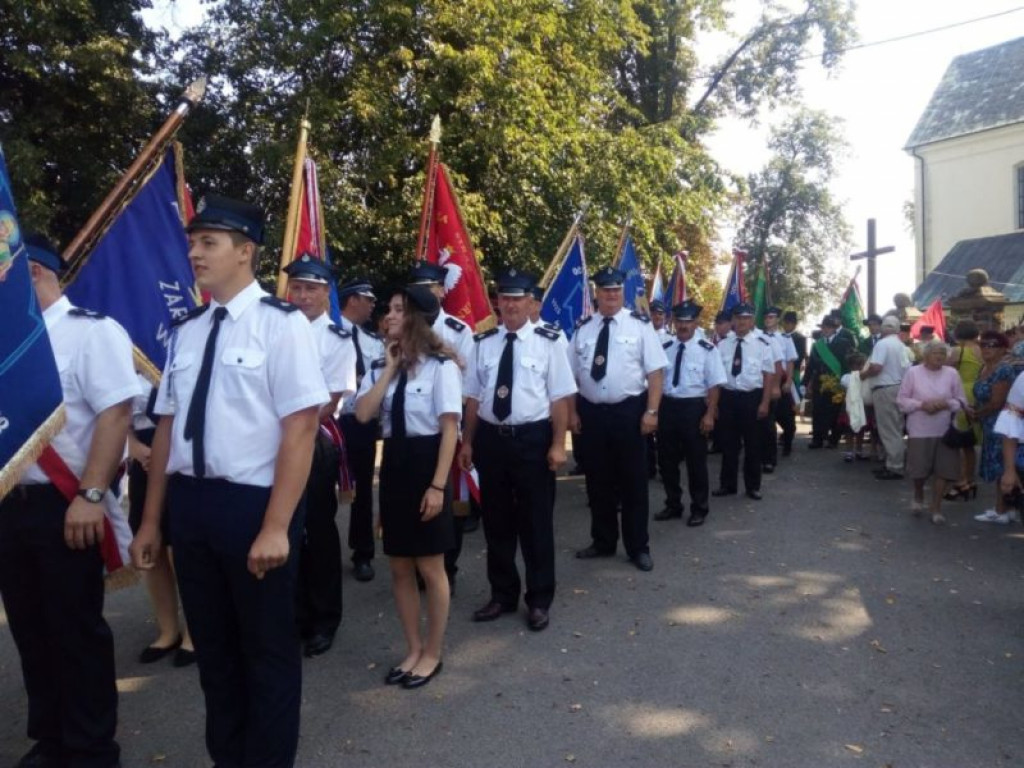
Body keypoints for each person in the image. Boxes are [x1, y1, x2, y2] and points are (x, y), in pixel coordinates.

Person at [131, 195, 328, 768]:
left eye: (208, 242)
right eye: (193, 242)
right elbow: (167, 427)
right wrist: (151, 520)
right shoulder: (188, 330)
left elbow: (301, 428)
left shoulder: (281, 326)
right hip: (190, 507)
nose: (194, 252)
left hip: (252, 507)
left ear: (246, 252)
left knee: (265, 652)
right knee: (215, 652)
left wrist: (275, 526)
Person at [0, 235, 138, 768]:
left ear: (32, 273)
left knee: (74, 629)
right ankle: (52, 736)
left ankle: (90, 746)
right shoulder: (7, 340)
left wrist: (91, 494)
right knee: (30, 628)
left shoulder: (90, 333)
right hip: (11, 503)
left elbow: (115, 414)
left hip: (67, 502)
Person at [354, 285, 460, 688]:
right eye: (389, 309)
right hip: (395, 466)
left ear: (415, 317)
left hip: (426, 466)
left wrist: (437, 487)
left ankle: (433, 652)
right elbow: (363, 414)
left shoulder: (441, 367)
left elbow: (449, 430)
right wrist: (389, 372)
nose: (389, 316)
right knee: (398, 565)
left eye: (398, 310)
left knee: (430, 566)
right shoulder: (385, 364)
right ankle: (412, 648)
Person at [459, 269, 576, 631]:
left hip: (533, 440)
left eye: (517, 298)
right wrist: (467, 441)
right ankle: (502, 594)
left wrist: (558, 444)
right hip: (491, 441)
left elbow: (559, 398)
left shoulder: (550, 340)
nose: (509, 305)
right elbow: (475, 398)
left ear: (531, 302)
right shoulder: (483, 342)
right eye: (504, 298)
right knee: (496, 522)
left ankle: (539, 599)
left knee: (536, 523)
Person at [568, 265, 667, 571]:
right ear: (596, 293)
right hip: (592, 414)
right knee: (598, 481)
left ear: (622, 292)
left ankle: (638, 547)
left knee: (633, 482)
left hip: (629, 413)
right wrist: (572, 412)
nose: (611, 295)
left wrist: (652, 412)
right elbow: (568, 377)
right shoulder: (583, 328)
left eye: (616, 290)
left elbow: (655, 372)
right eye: (605, 290)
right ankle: (603, 541)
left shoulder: (639, 326)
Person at [284, 255, 358, 657]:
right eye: (296, 287)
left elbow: (330, 401)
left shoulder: (336, 338)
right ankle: (293, 614)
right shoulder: (273, 329)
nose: (302, 295)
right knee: (285, 529)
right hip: (273, 442)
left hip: (314, 439)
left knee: (317, 529)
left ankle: (324, 617)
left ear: (325, 292)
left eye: (311, 288)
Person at [406, 260, 478, 578]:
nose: (424, 294)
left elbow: (468, 382)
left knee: (449, 500)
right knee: (414, 495)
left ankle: (446, 565)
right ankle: (419, 560)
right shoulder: (402, 329)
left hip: (446, 425)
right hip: (412, 430)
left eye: (429, 288)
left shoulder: (459, 332)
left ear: (441, 291)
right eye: (417, 289)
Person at [128, 373, 196, 668]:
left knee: (185, 544)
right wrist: (134, 447)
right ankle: (168, 630)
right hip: (141, 445)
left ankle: (196, 632)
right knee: (151, 545)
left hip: (184, 443)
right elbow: (111, 408)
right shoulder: (125, 343)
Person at [655, 300, 726, 525]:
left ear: (696, 323)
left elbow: (715, 385)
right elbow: (656, 381)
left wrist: (709, 414)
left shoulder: (708, 349)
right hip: (668, 407)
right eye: (680, 321)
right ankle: (673, 504)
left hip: (693, 408)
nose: (683, 326)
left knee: (696, 462)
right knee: (667, 461)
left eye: (688, 321)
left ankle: (699, 508)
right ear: (673, 322)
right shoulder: (665, 348)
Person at [334, 277, 383, 582]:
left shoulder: (372, 342)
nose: (373, 306)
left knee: (363, 489)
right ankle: (317, 549)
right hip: (330, 422)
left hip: (360, 423)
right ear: (353, 300)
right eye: (370, 300)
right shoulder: (327, 331)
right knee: (323, 489)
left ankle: (362, 552)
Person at [897, 339, 966, 525]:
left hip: (944, 430)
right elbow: (902, 400)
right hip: (919, 429)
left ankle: (936, 507)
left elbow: (961, 401)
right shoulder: (913, 372)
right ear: (926, 355)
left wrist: (946, 404)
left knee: (943, 470)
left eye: (943, 354)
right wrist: (921, 405)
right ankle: (918, 493)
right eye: (936, 353)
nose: (940, 357)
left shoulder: (952, 373)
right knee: (919, 470)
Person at [714, 303, 775, 500]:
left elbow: (768, 376)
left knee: (753, 444)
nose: (742, 322)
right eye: (738, 318)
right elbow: (715, 376)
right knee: (728, 444)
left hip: (752, 398)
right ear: (733, 321)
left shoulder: (762, 344)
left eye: (746, 318)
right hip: (728, 398)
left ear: (752, 321)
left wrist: (765, 403)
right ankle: (727, 484)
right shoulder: (723, 345)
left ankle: (752, 486)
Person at [969, 331, 1016, 523]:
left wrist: (977, 414)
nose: (986, 348)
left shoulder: (1003, 370)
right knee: (997, 466)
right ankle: (1007, 508)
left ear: (1003, 349)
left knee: (1002, 468)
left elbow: (997, 402)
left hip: (1002, 424)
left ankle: (1001, 510)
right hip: (988, 423)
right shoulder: (984, 367)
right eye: (983, 345)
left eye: (992, 345)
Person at [862, 316, 911, 479]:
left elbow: (876, 367)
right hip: (899, 387)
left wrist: (864, 374)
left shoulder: (882, 344)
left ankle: (895, 466)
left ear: (883, 328)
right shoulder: (902, 346)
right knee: (895, 427)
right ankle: (893, 462)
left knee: (888, 429)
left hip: (885, 388)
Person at [944, 320, 983, 500]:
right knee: (970, 442)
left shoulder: (958, 350)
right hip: (978, 391)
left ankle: (961, 482)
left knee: (958, 440)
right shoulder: (981, 350)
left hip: (961, 391)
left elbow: (946, 371)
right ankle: (970, 479)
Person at [805, 314, 853, 449]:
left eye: (829, 327)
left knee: (835, 412)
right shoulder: (817, 345)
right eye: (824, 327)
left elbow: (847, 363)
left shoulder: (844, 343)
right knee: (818, 411)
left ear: (834, 329)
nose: (825, 330)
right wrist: (805, 383)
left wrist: (847, 379)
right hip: (819, 382)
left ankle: (833, 439)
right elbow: (811, 366)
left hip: (837, 382)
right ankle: (817, 439)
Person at [758, 306, 795, 473]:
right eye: (766, 317)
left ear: (777, 320)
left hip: (780, 382)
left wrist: (787, 383)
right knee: (766, 422)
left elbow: (789, 362)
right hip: (762, 382)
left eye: (772, 318)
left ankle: (786, 445)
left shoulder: (784, 338)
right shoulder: (758, 336)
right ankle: (764, 457)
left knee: (786, 420)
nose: (768, 320)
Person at [779, 310, 806, 456]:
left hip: (791, 372)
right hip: (777, 373)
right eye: (785, 322)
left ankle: (789, 432)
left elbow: (799, 356)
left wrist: (788, 374)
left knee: (792, 402)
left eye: (790, 323)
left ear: (794, 324)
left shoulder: (799, 338)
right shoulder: (777, 336)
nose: (787, 325)